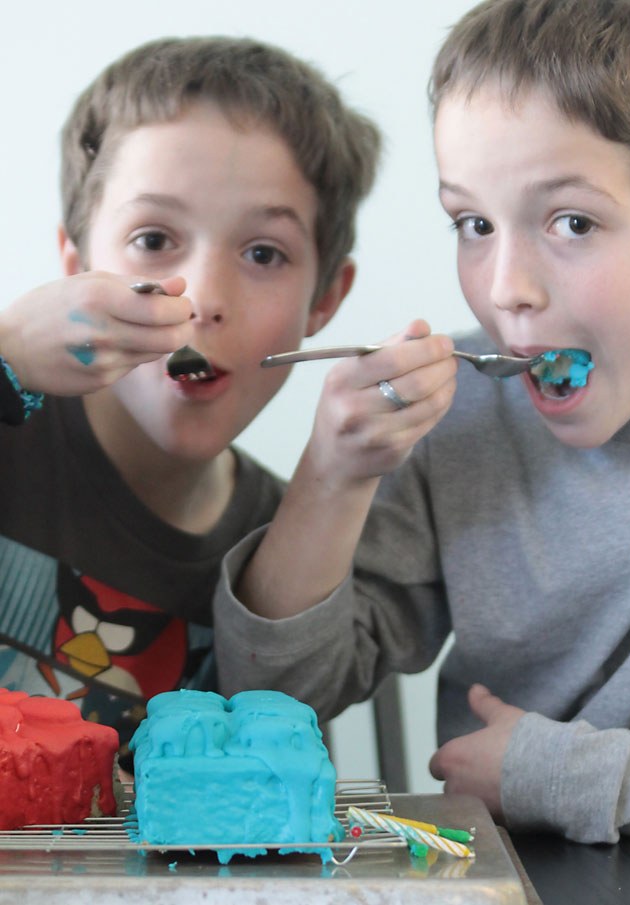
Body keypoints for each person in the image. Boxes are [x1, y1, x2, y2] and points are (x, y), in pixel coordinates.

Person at [213, 0, 630, 844]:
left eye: (572, 221)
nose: (506, 288)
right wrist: (333, 476)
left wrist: (552, 774)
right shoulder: (462, 418)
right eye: (473, 224)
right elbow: (273, 703)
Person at [0, 36, 381, 765]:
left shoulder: (292, 554)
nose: (203, 298)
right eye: (153, 238)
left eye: (263, 253)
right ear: (77, 266)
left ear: (325, 299)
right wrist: (6, 351)